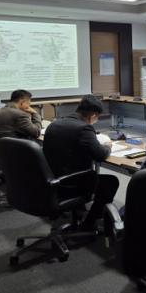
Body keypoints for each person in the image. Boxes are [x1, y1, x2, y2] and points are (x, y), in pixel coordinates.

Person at [43, 95, 119, 231]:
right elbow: (100, 155)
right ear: (93, 115)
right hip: (70, 183)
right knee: (111, 181)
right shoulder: (84, 128)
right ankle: (89, 222)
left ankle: (78, 210)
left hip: (51, 179)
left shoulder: (54, 124)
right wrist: (108, 146)